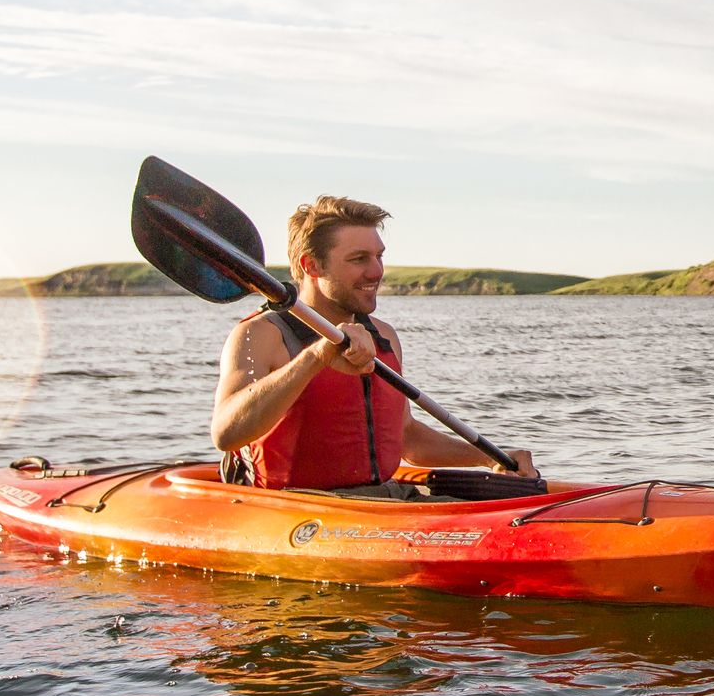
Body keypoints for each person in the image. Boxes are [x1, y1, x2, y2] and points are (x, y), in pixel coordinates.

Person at [211, 194, 536, 491]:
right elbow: (226, 434)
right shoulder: (261, 334)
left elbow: (406, 436)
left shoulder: (383, 336)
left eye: (379, 256)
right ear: (311, 265)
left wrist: (488, 457)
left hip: (383, 503)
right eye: (358, 259)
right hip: (299, 509)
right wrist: (316, 357)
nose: (376, 271)